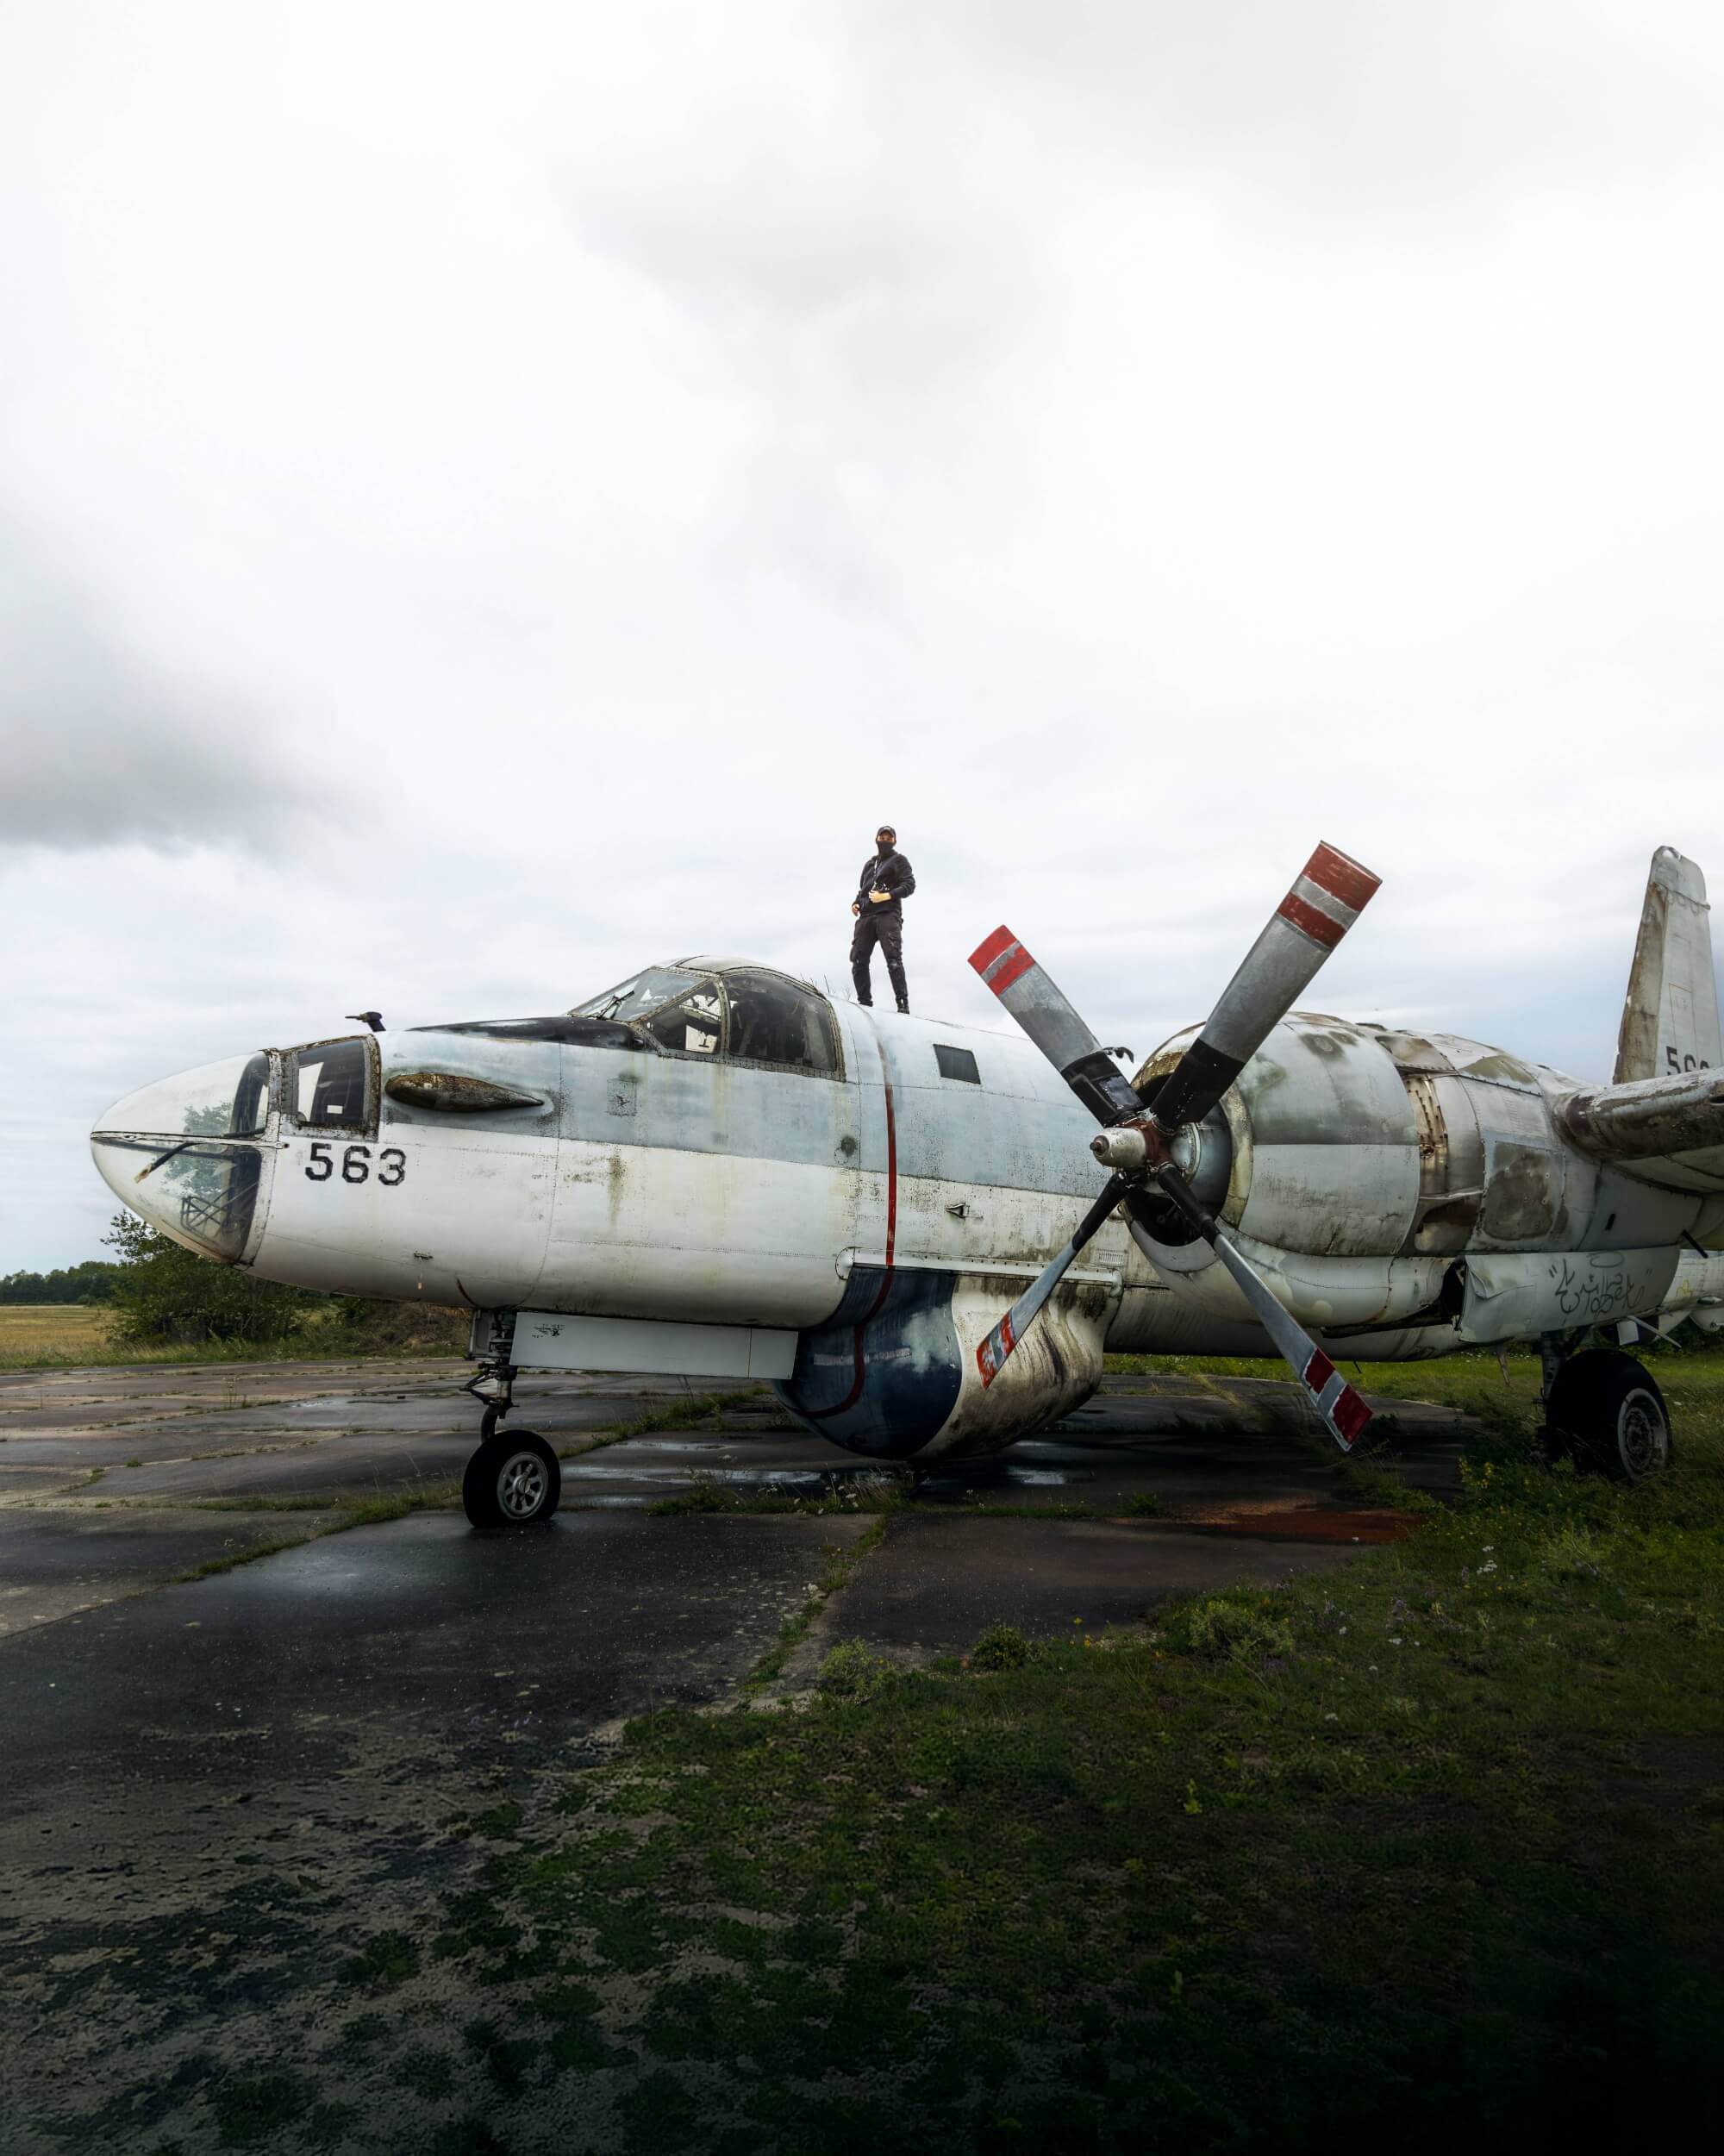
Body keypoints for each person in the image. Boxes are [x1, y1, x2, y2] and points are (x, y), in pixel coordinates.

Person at [850, 824, 915, 1012]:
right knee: (858, 960)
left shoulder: (899, 860)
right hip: (866, 916)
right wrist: (856, 903)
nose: (885, 840)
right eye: (882, 837)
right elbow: (863, 889)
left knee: (893, 959)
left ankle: (902, 1004)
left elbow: (909, 884)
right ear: (876, 839)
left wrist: (888, 896)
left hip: (888, 914)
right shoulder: (869, 865)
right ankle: (864, 1003)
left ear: (894, 841)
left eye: (889, 838)